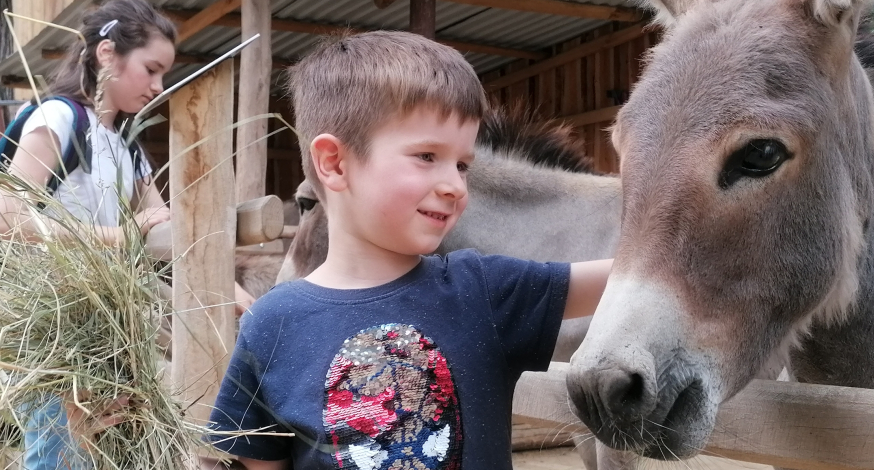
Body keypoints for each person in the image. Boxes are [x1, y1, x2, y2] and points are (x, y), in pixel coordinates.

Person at [207, 31, 612, 470]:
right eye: (426, 156)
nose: (455, 186)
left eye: (462, 165)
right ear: (335, 163)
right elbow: (260, 463)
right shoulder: (270, 324)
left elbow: (628, 275)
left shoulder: (485, 290)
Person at [0, 1, 250, 468]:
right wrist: (116, 236)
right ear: (108, 54)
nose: (158, 86)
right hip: (56, 324)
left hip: (115, 325)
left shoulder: (128, 145)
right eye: (151, 69)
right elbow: (7, 217)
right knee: (60, 452)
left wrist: (235, 296)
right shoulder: (58, 118)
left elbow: (172, 232)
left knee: (110, 450)